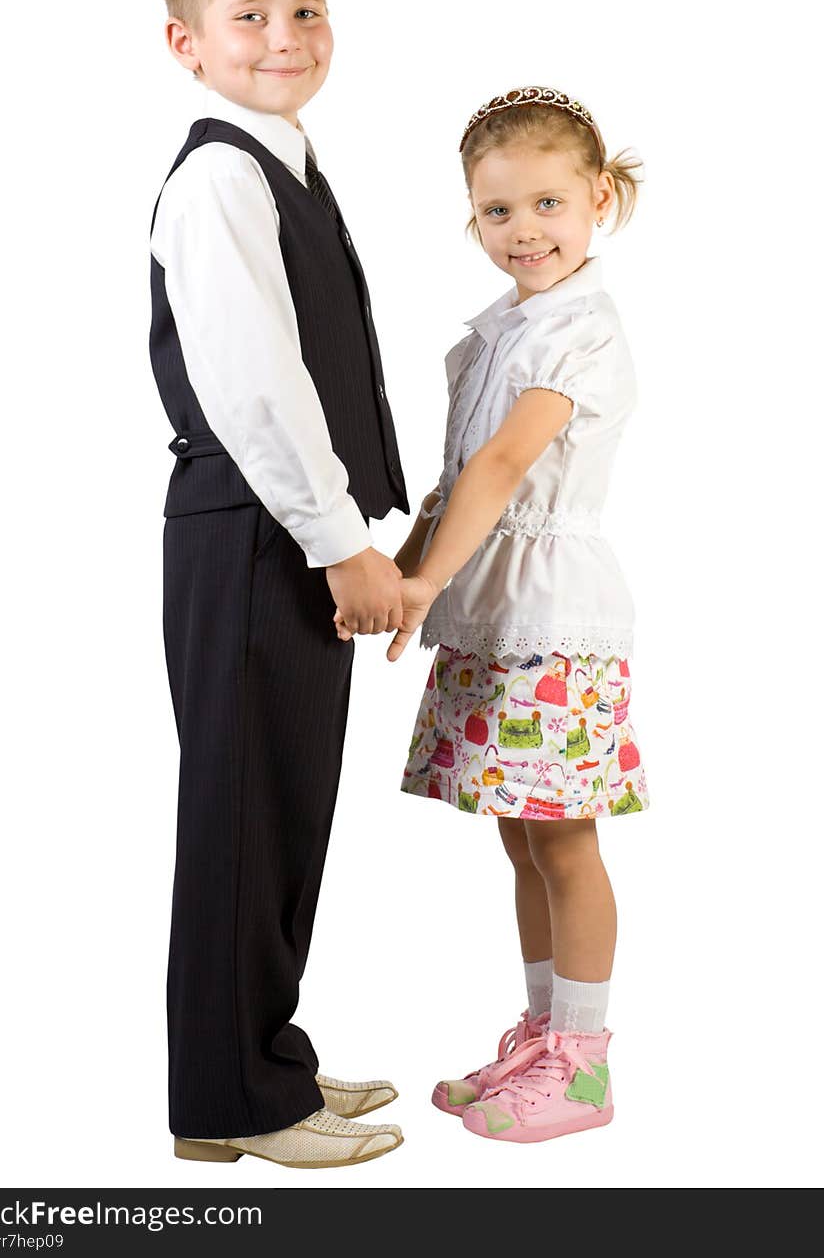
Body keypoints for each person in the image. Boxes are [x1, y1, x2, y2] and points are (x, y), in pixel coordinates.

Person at [336, 85, 648, 1145]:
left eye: (548, 204)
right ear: (472, 217)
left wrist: (425, 582)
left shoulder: (581, 330)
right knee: (521, 837)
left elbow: (512, 463)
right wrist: (408, 570)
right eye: (498, 211)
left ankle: (586, 1062)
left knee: (563, 838)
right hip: (492, 607)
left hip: (550, 616)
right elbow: (455, 478)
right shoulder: (496, 331)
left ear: (598, 199)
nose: (524, 231)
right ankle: (542, 1029)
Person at [149, 0, 410, 1168]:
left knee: (280, 806)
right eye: (247, 14)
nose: (285, 35)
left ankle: (263, 1060)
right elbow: (256, 385)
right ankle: (233, 1102)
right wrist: (338, 541)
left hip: (282, 536)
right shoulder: (216, 176)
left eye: (305, 9)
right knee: (243, 810)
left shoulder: (284, 156)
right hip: (254, 536)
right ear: (185, 41)